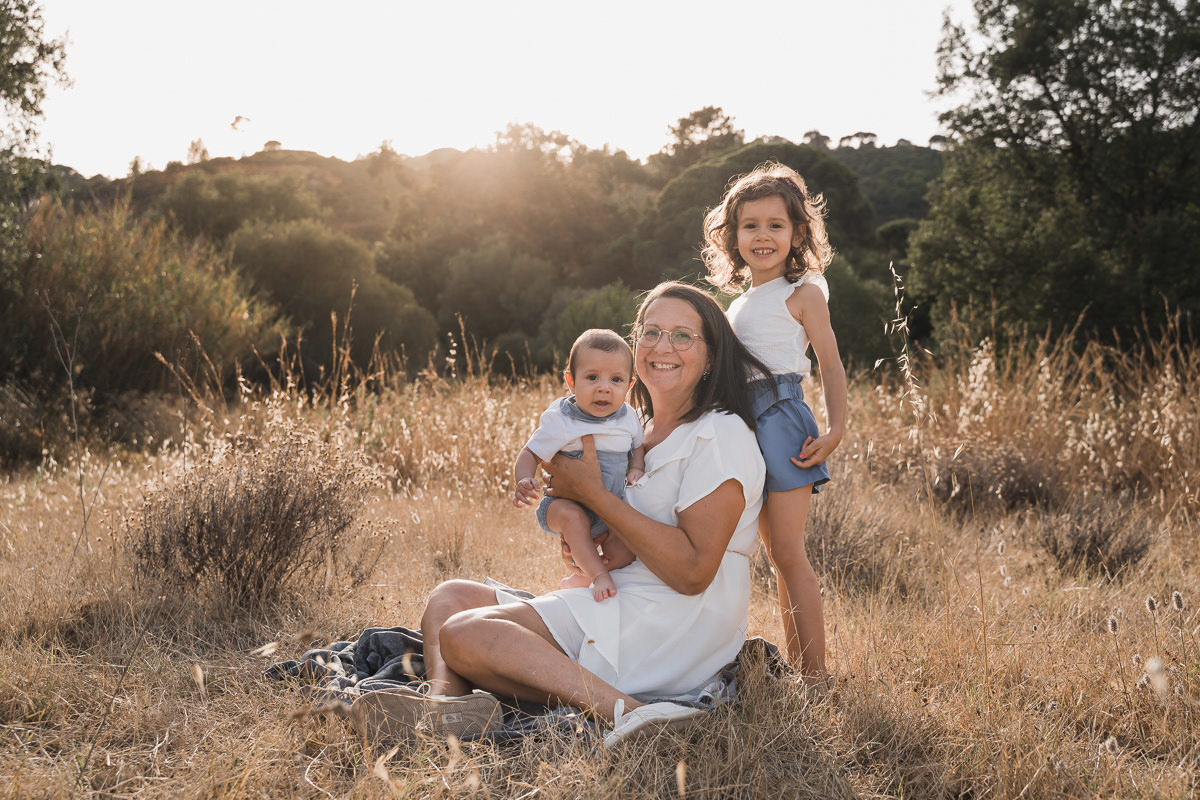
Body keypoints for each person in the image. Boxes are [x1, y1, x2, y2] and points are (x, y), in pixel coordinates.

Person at [355, 282, 772, 748]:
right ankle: (446, 706)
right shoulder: (636, 431)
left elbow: (694, 572)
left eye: (682, 336)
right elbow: (626, 532)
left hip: (671, 621)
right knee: (451, 596)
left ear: (711, 356)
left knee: (461, 633)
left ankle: (633, 713)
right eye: (651, 332)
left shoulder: (719, 434)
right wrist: (587, 541)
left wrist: (594, 495)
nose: (662, 347)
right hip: (620, 600)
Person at [701, 161, 847, 685]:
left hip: (782, 417)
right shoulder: (739, 302)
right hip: (741, 421)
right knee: (768, 554)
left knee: (788, 551)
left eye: (775, 225)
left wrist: (835, 429)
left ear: (798, 233)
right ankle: (800, 667)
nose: (762, 236)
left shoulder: (803, 292)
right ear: (733, 235)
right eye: (750, 226)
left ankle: (818, 677)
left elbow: (830, 363)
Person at [512, 329, 645, 601]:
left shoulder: (628, 417)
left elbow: (638, 445)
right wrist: (524, 479)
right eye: (592, 377)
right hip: (563, 505)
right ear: (571, 382)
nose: (604, 387)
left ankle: (580, 578)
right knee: (575, 519)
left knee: (627, 547)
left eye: (616, 379)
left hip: (609, 509)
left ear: (629, 386)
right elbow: (530, 453)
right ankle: (598, 577)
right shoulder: (562, 419)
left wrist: (637, 467)